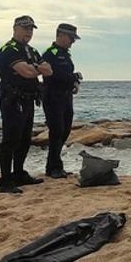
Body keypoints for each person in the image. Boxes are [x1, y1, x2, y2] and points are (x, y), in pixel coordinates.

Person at [0, 15, 52, 193]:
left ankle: (18, 173)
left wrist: (32, 67)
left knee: (25, 139)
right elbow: (26, 72)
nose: (28, 32)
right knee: (10, 140)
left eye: (31, 29)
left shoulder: (31, 51)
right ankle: (5, 181)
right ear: (15, 28)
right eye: (25, 28)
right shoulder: (8, 50)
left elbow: (49, 70)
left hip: (28, 99)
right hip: (12, 99)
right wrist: (36, 68)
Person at [42, 23, 82, 179]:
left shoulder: (66, 54)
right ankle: (54, 168)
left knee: (65, 130)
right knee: (56, 130)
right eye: (71, 38)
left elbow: (67, 74)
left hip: (66, 97)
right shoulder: (50, 53)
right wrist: (74, 77)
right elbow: (53, 75)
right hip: (53, 96)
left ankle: (54, 165)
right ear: (61, 35)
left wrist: (74, 82)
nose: (72, 42)